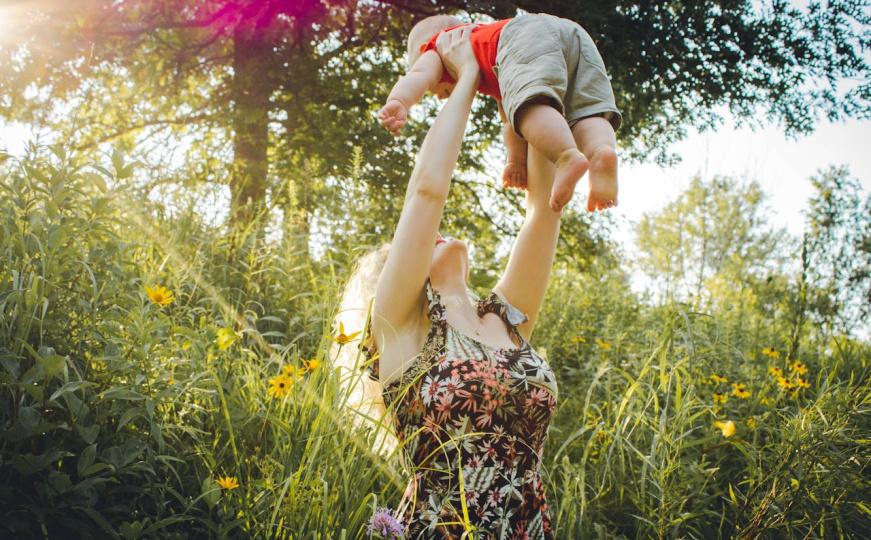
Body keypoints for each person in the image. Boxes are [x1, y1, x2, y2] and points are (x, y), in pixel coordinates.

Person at [337, 27, 559, 539]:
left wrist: (523, 84)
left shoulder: (504, 319)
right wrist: (465, 82)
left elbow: (544, 214)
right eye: (413, 248)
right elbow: (426, 193)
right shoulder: (400, 330)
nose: (432, 235)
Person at [377, 13, 622, 213]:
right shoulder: (494, 56)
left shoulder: (441, 46)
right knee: (586, 110)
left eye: (435, 90)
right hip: (572, 33)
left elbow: (419, 75)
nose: (439, 95)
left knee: (530, 108)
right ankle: (601, 152)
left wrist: (400, 100)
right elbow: (510, 119)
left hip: (524, 34)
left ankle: (567, 156)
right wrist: (516, 161)